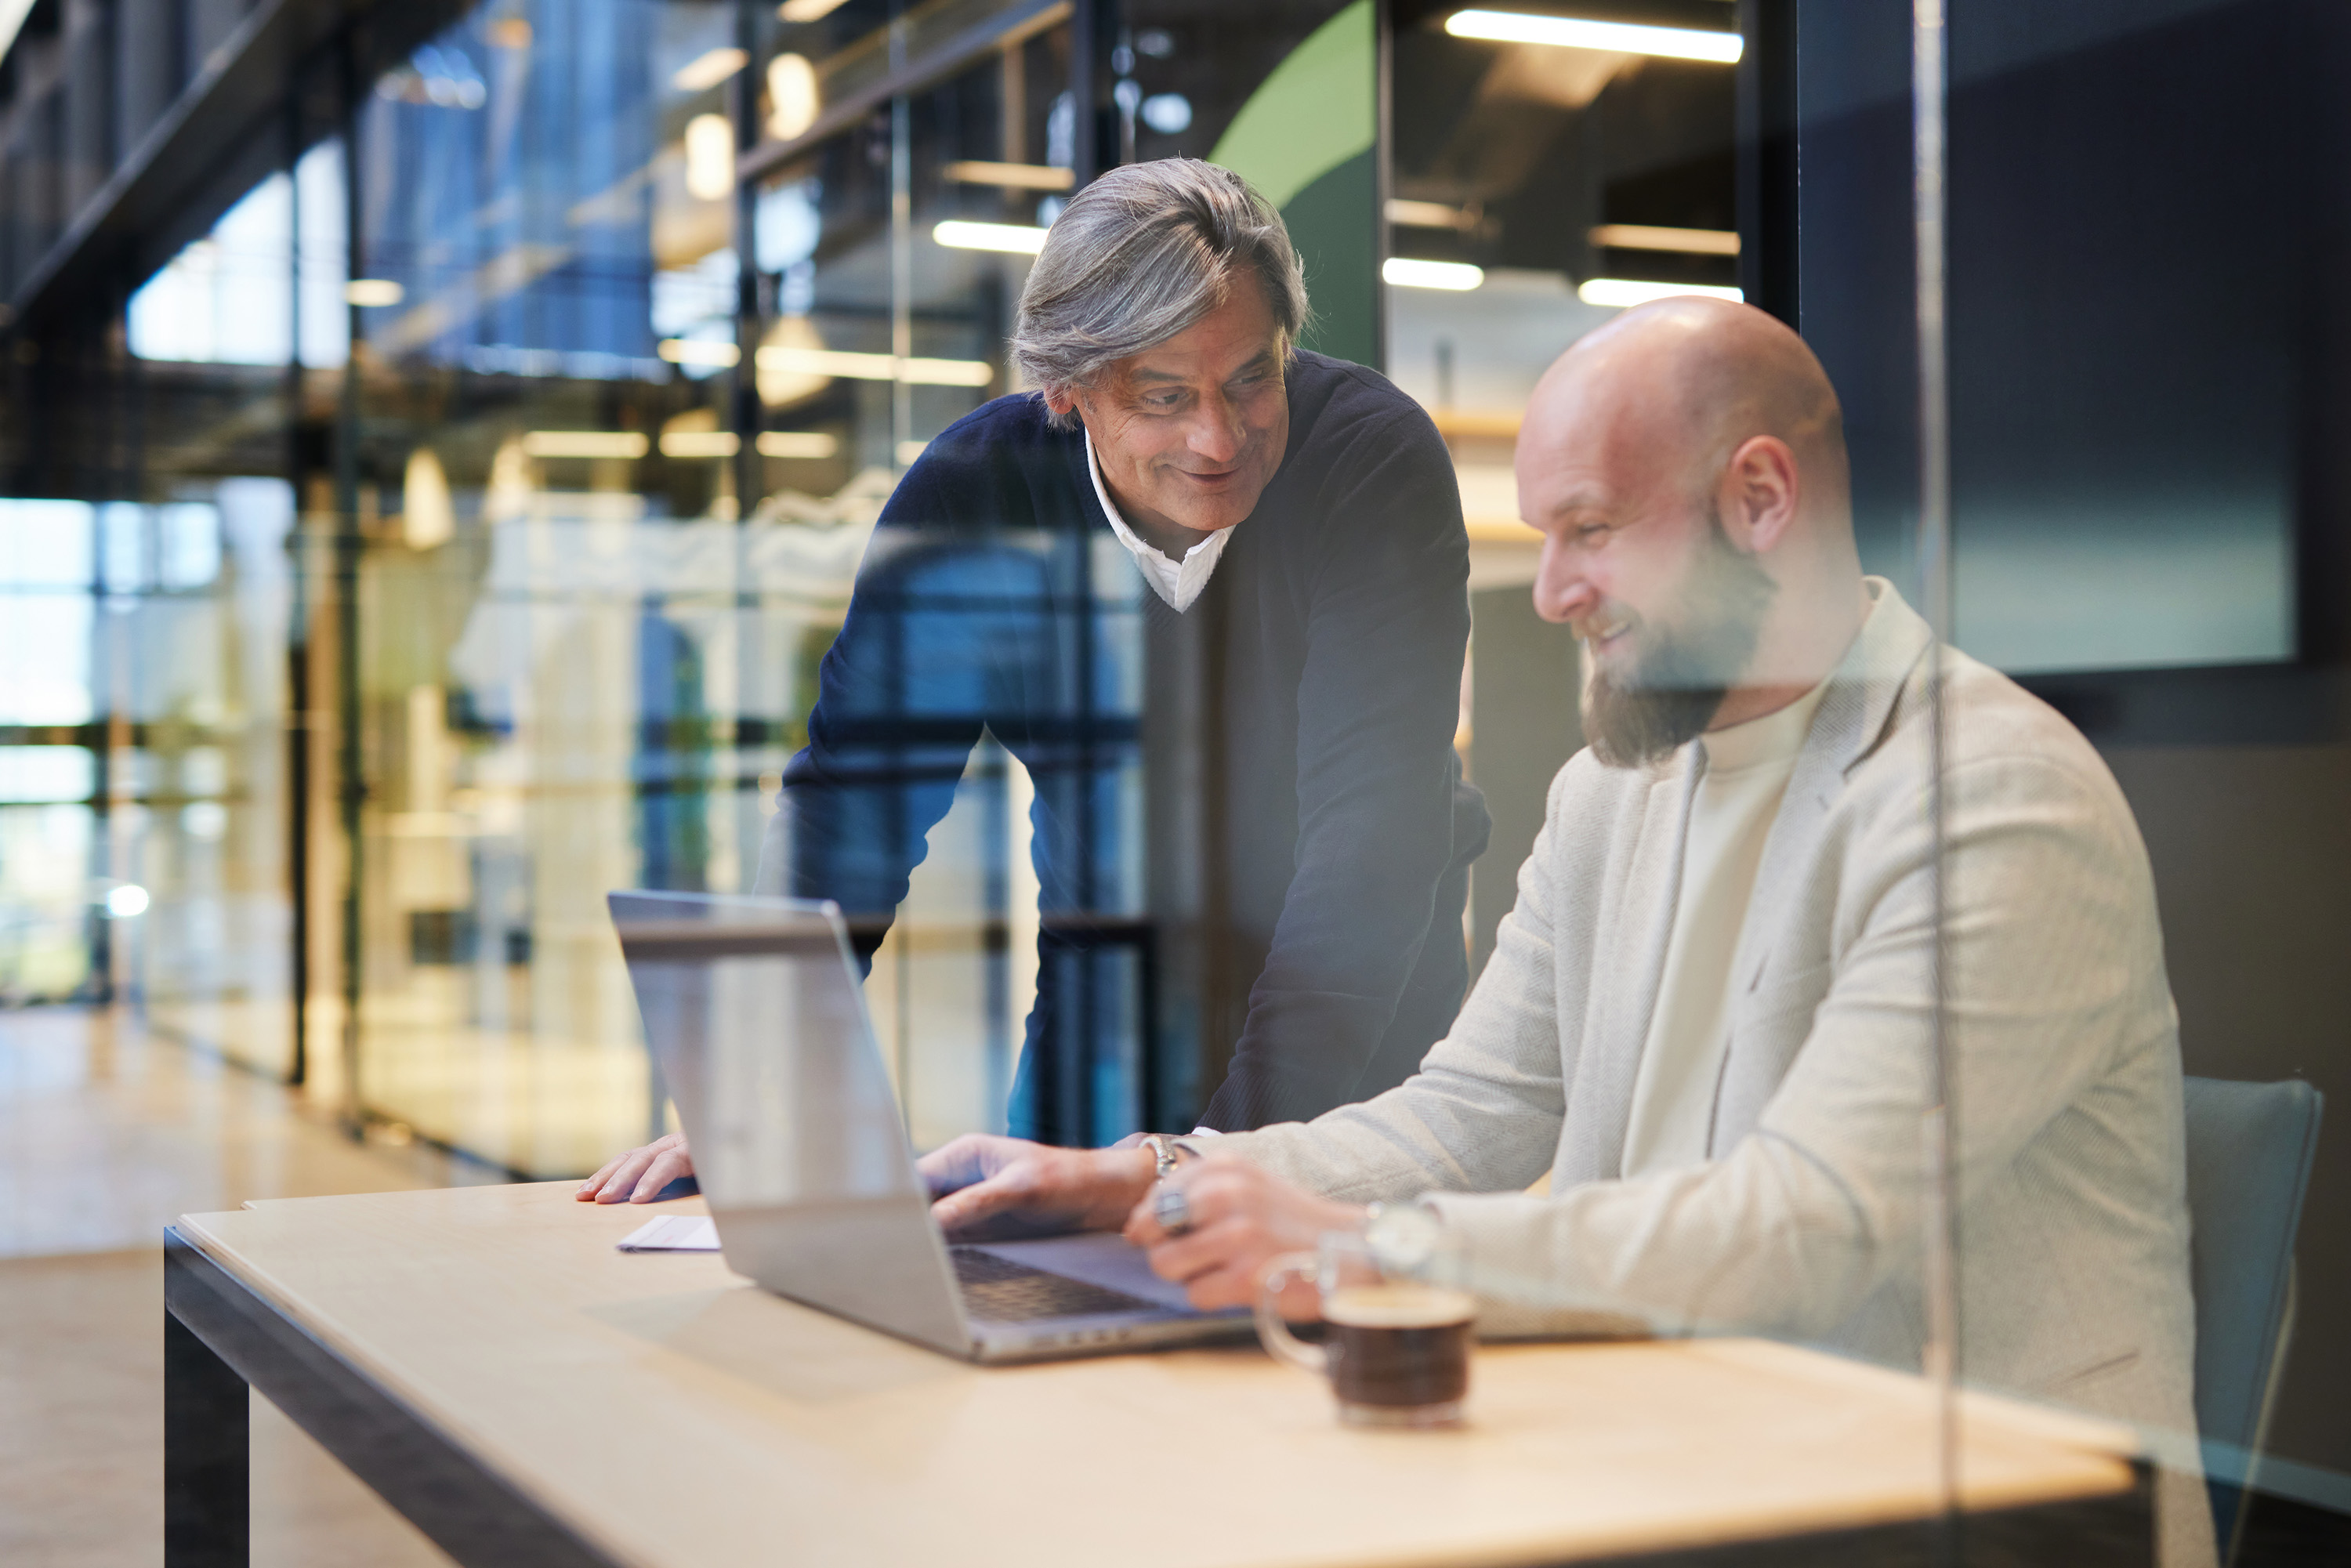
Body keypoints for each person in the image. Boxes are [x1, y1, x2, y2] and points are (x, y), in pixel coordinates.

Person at [908, 298, 2212, 1567]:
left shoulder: (1989, 793)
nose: (1551, 592)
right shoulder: (1616, 791)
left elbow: (1800, 1228)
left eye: (1588, 528)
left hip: (1971, 1511)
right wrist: (1157, 1174)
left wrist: (1363, 1246)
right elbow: (1465, 1115)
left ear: (1761, 500)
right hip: (1673, 1467)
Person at [579, 158, 1487, 1197]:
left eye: (1250, 378)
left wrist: (1200, 1175)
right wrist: (753, 1097)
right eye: (1164, 396)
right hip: (1102, 1038)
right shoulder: (977, 497)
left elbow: (1369, 849)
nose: (1219, 437)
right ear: (1068, 390)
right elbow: (852, 809)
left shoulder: (1367, 466)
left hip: (1357, 1052)